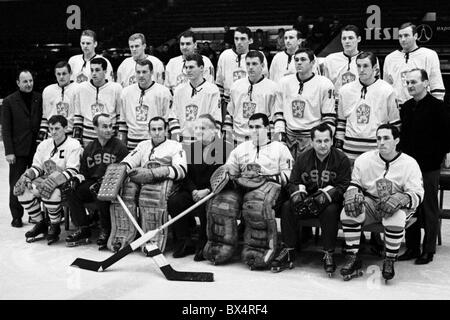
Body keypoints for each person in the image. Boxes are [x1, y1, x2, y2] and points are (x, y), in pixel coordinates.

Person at [204, 113, 293, 270]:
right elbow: (230, 166)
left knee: (256, 204)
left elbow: (289, 174)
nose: (254, 131)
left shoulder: (280, 148)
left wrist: (266, 178)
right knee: (222, 203)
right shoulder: (241, 148)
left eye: (258, 127)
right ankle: (219, 248)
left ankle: (257, 252)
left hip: (270, 190)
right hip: (243, 187)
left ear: (267, 128)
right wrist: (227, 172)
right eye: (251, 127)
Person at [340, 124, 424, 281]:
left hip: (398, 206)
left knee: (396, 217)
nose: (381, 142)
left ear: (396, 140)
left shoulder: (409, 163)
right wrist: (352, 192)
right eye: (378, 138)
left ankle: (390, 259)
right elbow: (355, 183)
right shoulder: (364, 160)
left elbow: (418, 193)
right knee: (348, 212)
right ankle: (353, 257)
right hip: (372, 202)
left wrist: (401, 198)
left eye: (386, 138)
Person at [272, 123, 351, 275]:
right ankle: (288, 250)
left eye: (326, 141)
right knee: (288, 206)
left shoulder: (341, 159)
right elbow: (293, 181)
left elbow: (344, 185)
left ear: (332, 141)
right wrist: (298, 193)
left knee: (330, 210)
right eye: (319, 141)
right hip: (307, 202)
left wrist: (328, 195)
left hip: (330, 204)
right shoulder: (303, 158)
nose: (323, 145)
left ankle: (329, 253)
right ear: (312, 142)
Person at [109, 116, 187, 252]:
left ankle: (154, 239)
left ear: (166, 130)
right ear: (149, 131)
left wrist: (154, 173)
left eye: (160, 129)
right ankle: (123, 236)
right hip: (143, 181)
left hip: (164, 184)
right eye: (154, 129)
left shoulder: (175, 146)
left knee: (151, 194)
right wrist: (119, 174)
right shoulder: (143, 145)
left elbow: (181, 170)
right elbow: (128, 162)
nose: (157, 132)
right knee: (126, 189)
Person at [398, 69, 450, 264]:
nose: (410, 85)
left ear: (426, 83)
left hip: (429, 166)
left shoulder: (438, 107)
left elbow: (446, 137)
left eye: (414, 82)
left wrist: (436, 157)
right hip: (409, 167)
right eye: (408, 82)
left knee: (429, 207)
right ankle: (411, 247)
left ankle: (428, 250)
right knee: (410, 205)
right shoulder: (407, 107)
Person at [168, 114, 233, 260]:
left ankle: (204, 243)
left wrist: (207, 191)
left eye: (203, 128)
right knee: (176, 201)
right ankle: (184, 241)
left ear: (214, 130)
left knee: (205, 206)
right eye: (196, 128)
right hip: (195, 190)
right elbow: (187, 175)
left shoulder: (225, 148)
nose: (198, 131)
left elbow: (226, 176)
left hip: (213, 191)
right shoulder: (192, 148)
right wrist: (193, 191)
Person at [14, 115, 82, 244]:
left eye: (57, 128)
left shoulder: (74, 144)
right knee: (22, 191)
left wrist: (52, 180)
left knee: (50, 192)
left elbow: (73, 170)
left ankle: (55, 226)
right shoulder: (44, 144)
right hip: (44, 180)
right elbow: (37, 166)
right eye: (51, 129)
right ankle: (42, 223)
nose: (53, 132)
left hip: (65, 183)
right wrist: (27, 176)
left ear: (66, 128)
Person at [65, 113, 128, 248]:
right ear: (95, 128)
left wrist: (106, 181)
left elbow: (125, 171)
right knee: (71, 189)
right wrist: (76, 179)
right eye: (104, 126)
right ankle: (83, 228)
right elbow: (83, 172)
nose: (109, 130)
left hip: (113, 184)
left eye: (110, 126)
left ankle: (105, 229)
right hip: (92, 182)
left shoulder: (120, 147)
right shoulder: (89, 148)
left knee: (98, 190)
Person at [336, 51, 401, 163]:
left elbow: (395, 124)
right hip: (350, 150)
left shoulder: (387, 90)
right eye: (359, 66)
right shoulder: (345, 90)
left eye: (365, 66)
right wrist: (338, 148)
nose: (361, 70)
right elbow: (341, 123)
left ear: (375, 67)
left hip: (377, 150)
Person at [2, 69, 42, 228]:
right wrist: (9, 151)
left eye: (31, 80)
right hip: (18, 151)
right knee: (16, 183)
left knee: (37, 182)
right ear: (18, 83)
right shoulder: (9, 101)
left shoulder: (39, 98)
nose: (29, 84)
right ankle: (16, 216)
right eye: (25, 81)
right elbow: (6, 129)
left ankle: (36, 215)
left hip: (37, 149)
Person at [278, 48, 336, 159]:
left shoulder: (324, 84)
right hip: (288, 136)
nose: (299, 62)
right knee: (289, 173)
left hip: (312, 137)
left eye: (303, 59)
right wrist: (279, 139)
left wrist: (321, 140)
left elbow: (329, 118)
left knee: (310, 173)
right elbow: (278, 114)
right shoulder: (284, 82)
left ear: (312, 62)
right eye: (296, 60)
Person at [223, 50, 284, 145]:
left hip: (261, 140)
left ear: (263, 66)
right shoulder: (236, 86)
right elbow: (229, 114)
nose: (250, 67)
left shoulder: (272, 88)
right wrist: (227, 137)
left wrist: (274, 140)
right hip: (238, 138)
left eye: (254, 64)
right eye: (248, 64)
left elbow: (275, 117)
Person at [118, 59, 178, 150]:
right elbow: (122, 124)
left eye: (144, 72)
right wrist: (122, 147)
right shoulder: (126, 93)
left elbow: (167, 122)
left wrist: (167, 147)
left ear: (152, 72)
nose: (141, 75)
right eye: (138, 72)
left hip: (155, 143)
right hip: (132, 142)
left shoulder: (163, 92)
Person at [383, 22, 445, 105]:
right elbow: (386, 88)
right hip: (397, 108)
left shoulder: (429, 55)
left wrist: (438, 107)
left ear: (415, 36)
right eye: (400, 36)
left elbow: (436, 83)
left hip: (423, 106)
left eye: (406, 35)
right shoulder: (389, 58)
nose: (403, 39)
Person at [216, 26, 269, 119]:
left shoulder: (258, 56)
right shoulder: (225, 55)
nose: (239, 42)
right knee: (228, 131)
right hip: (228, 101)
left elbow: (264, 83)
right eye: (236, 39)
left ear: (250, 40)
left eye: (243, 39)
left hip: (252, 101)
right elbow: (219, 83)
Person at [73, 57, 122, 147]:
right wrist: (77, 142)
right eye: (92, 70)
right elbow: (78, 117)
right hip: (88, 138)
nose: (94, 73)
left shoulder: (116, 88)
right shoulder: (81, 88)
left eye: (97, 70)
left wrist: (118, 139)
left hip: (109, 137)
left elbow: (120, 117)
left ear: (105, 71)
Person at [172, 53, 222, 143]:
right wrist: (176, 135)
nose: (188, 70)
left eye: (191, 67)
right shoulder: (179, 90)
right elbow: (173, 115)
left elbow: (216, 118)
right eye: (186, 67)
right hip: (183, 141)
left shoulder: (212, 90)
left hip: (204, 141)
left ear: (201, 68)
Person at [39, 61, 79, 140]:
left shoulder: (78, 89)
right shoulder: (48, 91)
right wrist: (41, 139)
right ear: (55, 74)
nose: (61, 77)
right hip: (51, 136)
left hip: (70, 136)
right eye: (58, 74)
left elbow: (80, 117)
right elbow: (45, 117)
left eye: (64, 74)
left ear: (70, 73)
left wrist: (77, 139)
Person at [323, 25, 362, 97]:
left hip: (358, 102)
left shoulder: (367, 60)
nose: (347, 41)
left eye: (350, 38)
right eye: (344, 38)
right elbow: (325, 86)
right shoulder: (330, 59)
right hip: (336, 103)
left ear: (358, 39)